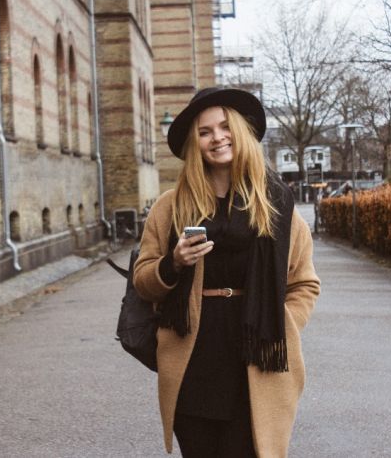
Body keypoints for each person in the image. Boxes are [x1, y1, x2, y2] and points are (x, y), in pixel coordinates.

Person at [133, 87, 321, 457]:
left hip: (257, 361)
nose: (217, 137)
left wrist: (283, 324)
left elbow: (304, 283)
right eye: (205, 132)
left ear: (240, 131)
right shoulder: (170, 207)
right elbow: (143, 281)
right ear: (194, 143)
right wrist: (173, 263)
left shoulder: (276, 206)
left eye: (224, 127)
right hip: (193, 363)